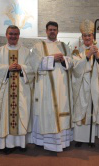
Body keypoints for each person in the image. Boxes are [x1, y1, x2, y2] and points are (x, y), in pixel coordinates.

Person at [0, 25, 35, 154]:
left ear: (19, 35)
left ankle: (21, 144)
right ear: (6, 35)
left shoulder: (26, 52)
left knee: (21, 114)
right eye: (11, 34)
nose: (13, 36)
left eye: (16, 34)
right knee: (5, 116)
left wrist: (22, 68)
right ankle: (6, 145)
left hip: (21, 90)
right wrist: (7, 68)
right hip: (4, 91)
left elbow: (32, 68)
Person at [30, 21, 73, 152]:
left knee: (61, 109)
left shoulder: (65, 46)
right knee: (46, 110)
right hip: (46, 86)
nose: (52, 31)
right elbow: (34, 64)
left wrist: (64, 60)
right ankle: (42, 141)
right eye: (50, 29)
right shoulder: (38, 46)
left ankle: (62, 142)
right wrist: (51, 58)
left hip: (62, 85)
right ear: (46, 31)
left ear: (58, 31)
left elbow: (72, 62)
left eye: (54, 29)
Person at [71, 19, 99, 147]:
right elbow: (75, 68)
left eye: (89, 35)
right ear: (82, 37)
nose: (87, 37)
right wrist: (87, 56)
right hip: (81, 86)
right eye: (85, 35)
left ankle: (91, 139)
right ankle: (80, 139)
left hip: (93, 85)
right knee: (81, 111)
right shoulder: (76, 52)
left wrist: (96, 57)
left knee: (92, 110)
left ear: (93, 37)